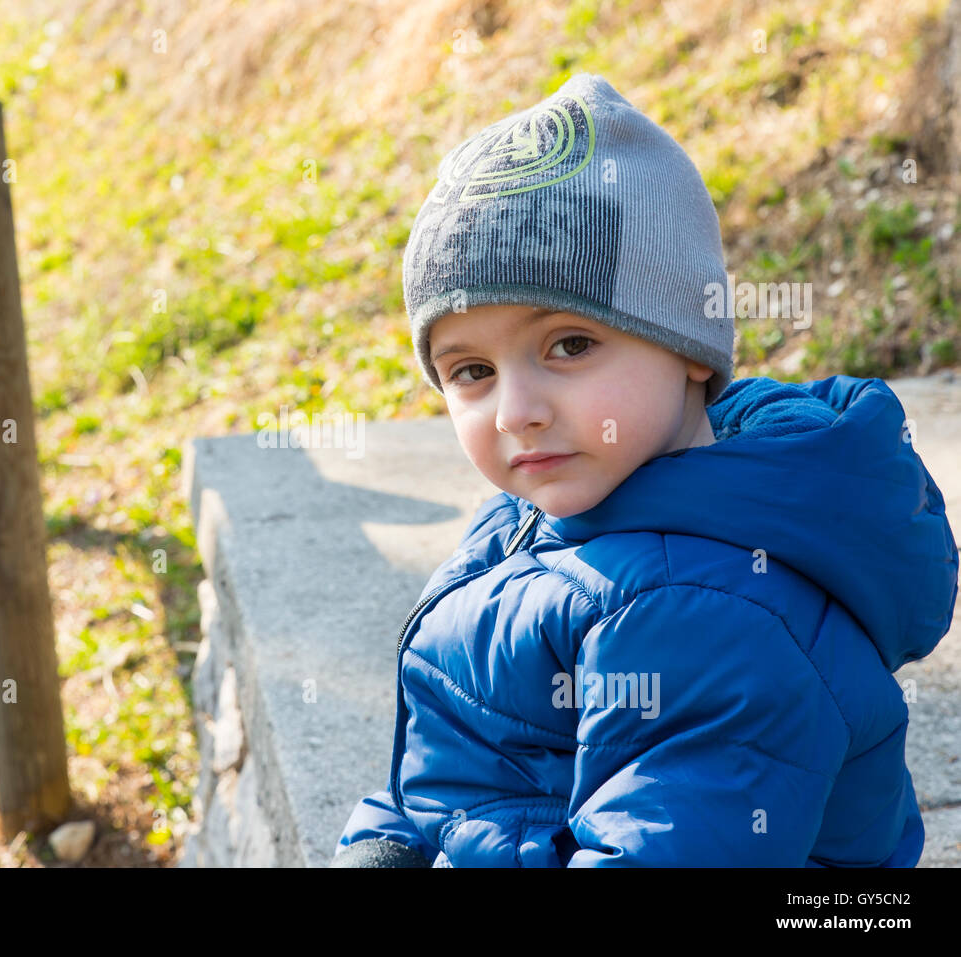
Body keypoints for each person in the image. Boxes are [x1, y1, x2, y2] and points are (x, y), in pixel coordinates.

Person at [331, 73, 959, 867]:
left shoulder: (707, 612)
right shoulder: (542, 518)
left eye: (570, 345)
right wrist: (387, 842)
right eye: (470, 370)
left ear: (691, 350)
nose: (514, 410)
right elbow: (468, 756)